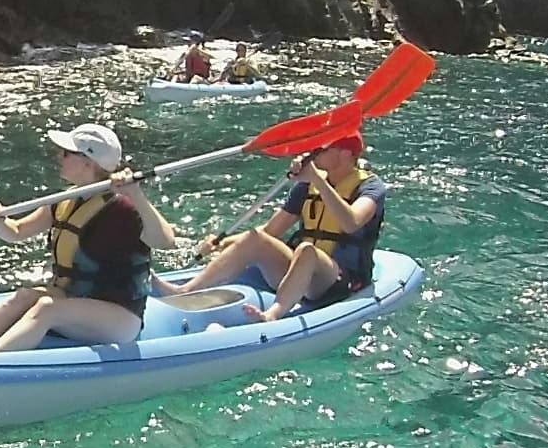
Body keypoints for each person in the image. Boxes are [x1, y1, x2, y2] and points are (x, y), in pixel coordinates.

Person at [0, 122, 184, 354]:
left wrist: (136, 194)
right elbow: (16, 233)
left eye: (66, 153)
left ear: (88, 162)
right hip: (76, 300)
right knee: (24, 297)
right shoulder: (63, 200)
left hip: (119, 318)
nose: (58, 156)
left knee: (47, 307)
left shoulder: (124, 207)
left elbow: (165, 241)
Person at [155, 130, 386, 321]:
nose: (314, 154)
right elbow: (271, 231)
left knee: (307, 251)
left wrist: (316, 180)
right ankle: (185, 290)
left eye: (322, 149)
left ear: (346, 154)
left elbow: (351, 222)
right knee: (256, 238)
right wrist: (221, 243)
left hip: (340, 279)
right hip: (301, 270)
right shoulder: (309, 186)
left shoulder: (371, 187)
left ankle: (273, 314)